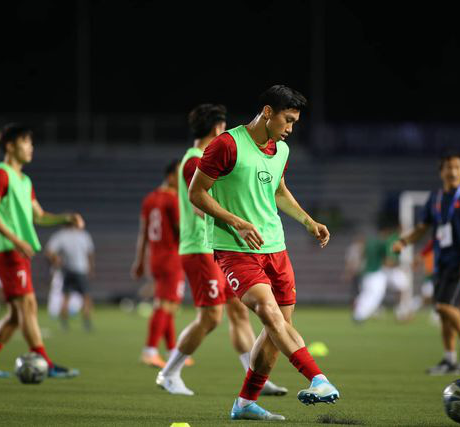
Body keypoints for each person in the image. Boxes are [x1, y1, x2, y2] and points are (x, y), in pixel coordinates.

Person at [189, 85, 339, 421]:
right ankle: (318, 379)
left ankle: (244, 403)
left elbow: (279, 192)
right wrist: (236, 222)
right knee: (269, 313)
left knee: (279, 327)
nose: (290, 128)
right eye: (288, 119)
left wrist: (308, 221)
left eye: (295, 122)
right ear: (268, 112)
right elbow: (196, 193)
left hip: (276, 248)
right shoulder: (227, 145)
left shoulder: (281, 150)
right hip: (235, 249)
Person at [157, 104, 287, 397]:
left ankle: (256, 378)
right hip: (200, 248)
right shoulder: (194, 161)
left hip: (218, 246)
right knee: (211, 317)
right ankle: (169, 372)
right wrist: (237, 222)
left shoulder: (199, 157)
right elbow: (198, 204)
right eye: (224, 127)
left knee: (239, 313)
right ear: (217, 129)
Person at [0, 123, 82, 378]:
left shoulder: (25, 180)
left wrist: (66, 218)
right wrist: (15, 240)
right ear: (10, 146)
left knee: (15, 315)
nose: (30, 147)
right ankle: (47, 364)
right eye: (26, 142)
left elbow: (40, 216)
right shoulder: (0, 174)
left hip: (19, 252)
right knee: (28, 306)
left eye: (31, 143)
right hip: (8, 251)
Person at [392, 153, 460, 375]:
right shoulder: (436, 197)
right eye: (449, 167)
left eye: (458, 167)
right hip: (441, 262)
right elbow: (423, 227)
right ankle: (449, 358)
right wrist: (404, 241)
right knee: (441, 313)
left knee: (445, 306)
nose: (454, 172)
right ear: (441, 171)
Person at [131, 160, 189, 368]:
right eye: (181, 175)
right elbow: (181, 231)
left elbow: (143, 232)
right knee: (165, 305)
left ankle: (173, 350)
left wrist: (139, 261)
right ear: (171, 176)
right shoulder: (173, 200)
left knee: (169, 304)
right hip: (171, 257)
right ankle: (150, 350)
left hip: (155, 257)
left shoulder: (150, 198)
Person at [350, 224, 412, 323]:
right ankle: (360, 315)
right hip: (376, 272)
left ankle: (360, 311)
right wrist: (402, 264)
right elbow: (388, 260)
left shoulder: (370, 242)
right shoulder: (385, 243)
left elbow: (362, 254)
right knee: (376, 294)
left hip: (366, 272)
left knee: (368, 294)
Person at [45, 223, 96, 331]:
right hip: (81, 269)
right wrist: (91, 268)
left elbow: (49, 251)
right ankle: (87, 323)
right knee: (86, 297)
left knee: (66, 297)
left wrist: (56, 260)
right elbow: (90, 253)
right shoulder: (83, 235)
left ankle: (64, 324)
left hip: (67, 270)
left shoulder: (60, 235)